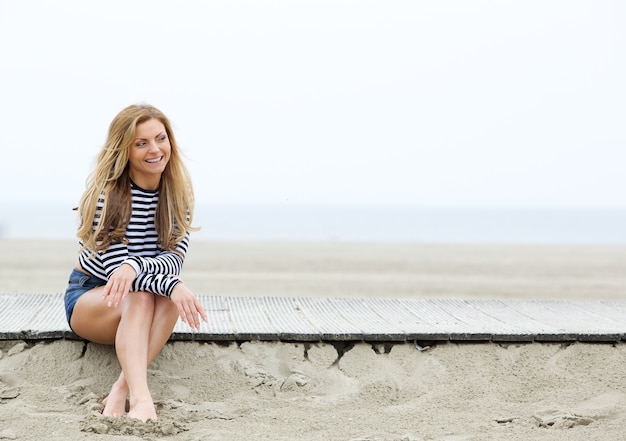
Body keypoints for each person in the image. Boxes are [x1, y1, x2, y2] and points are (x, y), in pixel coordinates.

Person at [64, 103, 207, 422]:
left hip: (135, 296)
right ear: (125, 150)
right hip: (92, 298)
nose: (155, 149)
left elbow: (173, 259)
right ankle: (142, 400)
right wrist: (155, 277)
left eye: (160, 138)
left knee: (167, 301)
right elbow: (117, 275)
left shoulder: (177, 194)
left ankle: (120, 390)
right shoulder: (109, 195)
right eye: (142, 143)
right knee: (143, 296)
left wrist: (139, 268)